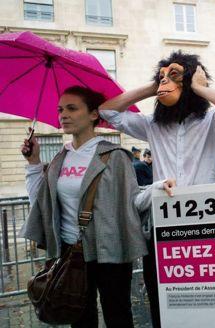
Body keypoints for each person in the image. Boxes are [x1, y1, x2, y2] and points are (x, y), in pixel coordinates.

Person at [98, 51, 215, 327]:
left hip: (207, 228)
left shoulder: (211, 122)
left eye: (172, 78)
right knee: (163, 302)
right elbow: (106, 112)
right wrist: (154, 84)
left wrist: (198, 85)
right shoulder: (153, 125)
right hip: (163, 229)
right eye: (162, 78)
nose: (165, 83)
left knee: (212, 302)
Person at [20, 86, 148, 328]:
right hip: (71, 251)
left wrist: (157, 189)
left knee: (118, 314)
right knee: (78, 317)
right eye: (60, 110)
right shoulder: (61, 157)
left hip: (111, 250)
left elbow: (132, 203)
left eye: (71, 108)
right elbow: (41, 201)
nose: (63, 115)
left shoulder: (114, 155)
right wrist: (34, 162)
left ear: (93, 115)